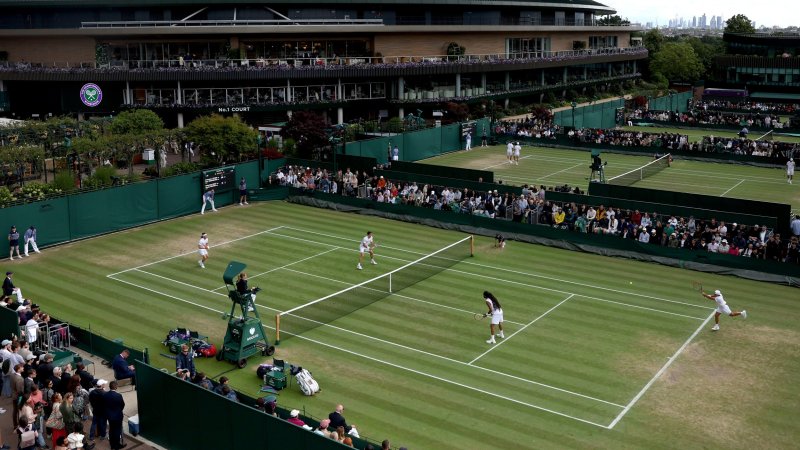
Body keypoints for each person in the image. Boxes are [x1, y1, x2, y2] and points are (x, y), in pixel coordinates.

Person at [104, 381, 125, 450]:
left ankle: (112, 445)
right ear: (116, 387)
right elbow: (122, 405)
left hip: (110, 416)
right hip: (117, 416)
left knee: (111, 430)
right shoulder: (118, 396)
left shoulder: (105, 395)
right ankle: (117, 445)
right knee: (117, 431)